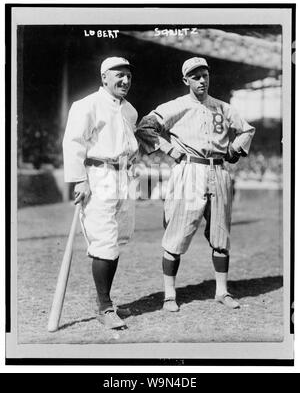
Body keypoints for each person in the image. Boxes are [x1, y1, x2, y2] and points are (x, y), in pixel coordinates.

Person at [136, 57, 255, 312]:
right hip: (189, 171)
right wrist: (168, 149)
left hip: (219, 171)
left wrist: (234, 150)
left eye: (205, 75)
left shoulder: (223, 108)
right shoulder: (176, 106)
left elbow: (247, 130)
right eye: (195, 76)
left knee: (221, 235)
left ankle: (222, 291)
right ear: (186, 80)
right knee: (176, 234)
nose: (201, 80)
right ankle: (169, 295)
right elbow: (145, 127)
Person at [63, 56, 138, 329]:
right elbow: (73, 143)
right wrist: (79, 180)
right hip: (98, 175)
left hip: (124, 177)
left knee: (117, 239)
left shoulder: (129, 111)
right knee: (104, 241)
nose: (125, 80)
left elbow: (130, 144)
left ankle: (107, 304)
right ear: (104, 77)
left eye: (129, 76)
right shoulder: (87, 105)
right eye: (119, 75)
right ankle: (104, 307)